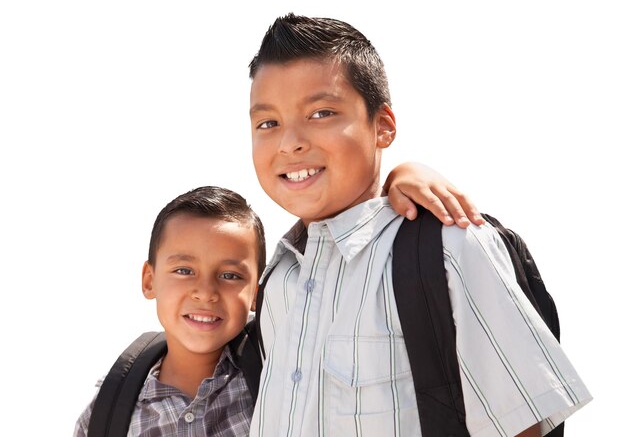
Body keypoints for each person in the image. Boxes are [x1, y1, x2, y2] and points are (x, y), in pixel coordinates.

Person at [247, 13, 592, 437]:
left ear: (383, 126)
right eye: (268, 123)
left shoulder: (450, 246)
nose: (290, 142)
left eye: (321, 113)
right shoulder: (278, 281)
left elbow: (523, 427)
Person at [74, 174, 483, 436]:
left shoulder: (280, 373)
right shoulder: (110, 409)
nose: (205, 292)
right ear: (149, 279)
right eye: (183, 270)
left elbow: (339, 253)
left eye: (231, 275)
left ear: (257, 292)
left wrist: (401, 175)